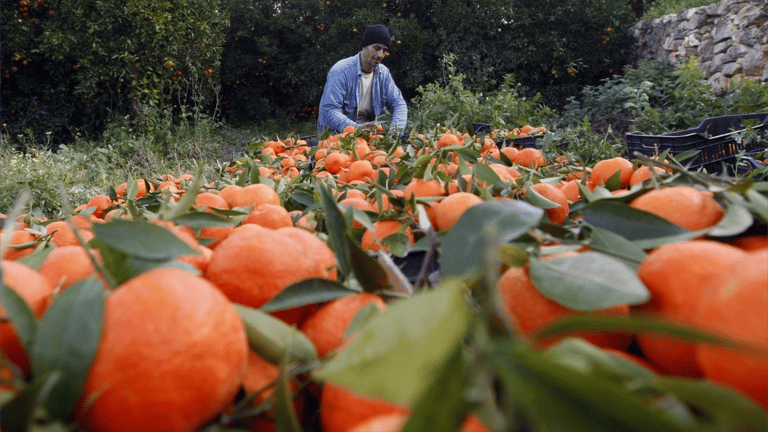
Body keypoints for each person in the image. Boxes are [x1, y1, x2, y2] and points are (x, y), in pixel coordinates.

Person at [317, 24, 408, 136]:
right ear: (364, 46)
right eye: (377, 48)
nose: (380, 55)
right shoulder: (341, 71)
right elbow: (330, 110)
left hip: (367, 137)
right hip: (338, 137)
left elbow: (398, 103)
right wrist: (357, 129)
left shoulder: (383, 74)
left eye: (384, 51)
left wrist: (395, 132)